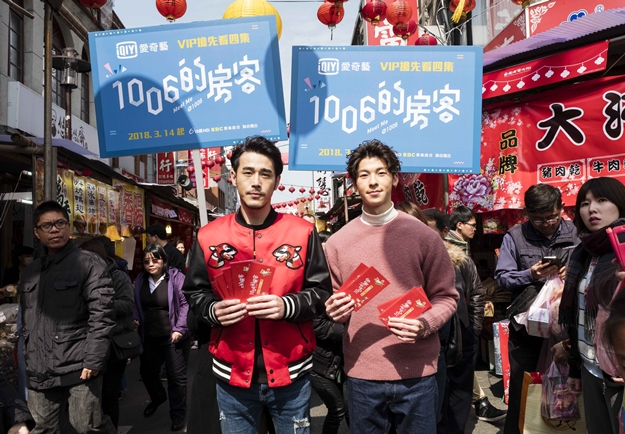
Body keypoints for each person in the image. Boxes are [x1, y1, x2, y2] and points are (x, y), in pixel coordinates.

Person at [182, 136, 331, 434]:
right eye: (248, 172)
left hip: (291, 373)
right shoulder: (208, 235)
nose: (256, 182)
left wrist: (286, 306)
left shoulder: (302, 232)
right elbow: (195, 292)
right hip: (232, 375)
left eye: (265, 174)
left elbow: (321, 292)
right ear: (233, 176)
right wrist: (213, 310)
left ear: (277, 181)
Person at [324, 140, 458, 433]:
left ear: (395, 178)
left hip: (418, 374)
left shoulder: (424, 236)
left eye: (381, 172)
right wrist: (335, 311)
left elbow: (447, 296)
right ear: (354, 183)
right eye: (364, 175)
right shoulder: (336, 243)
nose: (373, 181)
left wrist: (425, 324)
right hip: (362, 373)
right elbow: (337, 303)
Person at [19, 201, 116, 434]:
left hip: (79, 363)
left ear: (68, 226)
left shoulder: (88, 263)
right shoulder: (32, 270)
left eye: (60, 223)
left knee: (87, 426)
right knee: (42, 428)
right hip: (39, 366)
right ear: (37, 233)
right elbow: (27, 318)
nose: (54, 229)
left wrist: (93, 359)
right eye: (47, 225)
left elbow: (102, 314)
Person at [495, 184, 579, 434]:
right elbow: (502, 277)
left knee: (570, 387)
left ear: (561, 208)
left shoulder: (576, 233)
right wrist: (530, 274)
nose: (546, 224)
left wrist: (573, 273)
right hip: (527, 328)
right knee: (524, 387)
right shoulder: (514, 236)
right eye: (538, 219)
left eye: (552, 217)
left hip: (567, 329)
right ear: (527, 213)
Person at [556, 177, 625, 434]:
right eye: (584, 203)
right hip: (590, 368)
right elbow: (578, 315)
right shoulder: (582, 253)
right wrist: (576, 367)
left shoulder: (623, 248)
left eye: (602, 200)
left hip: (619, 372)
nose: (591, 209)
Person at [78, 238, 134, 429]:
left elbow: (128, 304)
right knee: (90, 397)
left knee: (109, 394)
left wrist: (99, 304)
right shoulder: (78, 277)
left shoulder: (117, 276)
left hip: (113, 343)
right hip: (86, 344)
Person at [134, 244, 190, 432]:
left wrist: (180, 328)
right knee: (147, 373)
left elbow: (185, 304)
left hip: (172, 336)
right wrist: (135, 318)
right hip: (149, 336)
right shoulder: (141, 280)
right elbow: (136, 304)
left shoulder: (175, 277)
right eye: (146, 261)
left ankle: (178, 415)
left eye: (155, 260)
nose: (151, 264)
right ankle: (158, 397)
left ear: (164, 260)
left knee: (176, 379)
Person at [311, 230, 348, 434]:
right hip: (318, 363)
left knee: (346, 409)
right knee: (337, 408)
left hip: (338, 360)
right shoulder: (314, 283)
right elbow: (317, 325)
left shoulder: (344, 279)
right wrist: (352, 330)